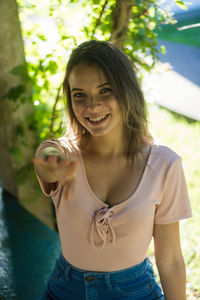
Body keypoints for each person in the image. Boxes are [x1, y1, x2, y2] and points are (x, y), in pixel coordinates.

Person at [34, 40, 192, 300]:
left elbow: (172, 258)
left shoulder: (164, 165)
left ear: (126, 90)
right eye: (79, 95)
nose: (92, 106)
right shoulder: (65, 153)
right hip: (65, 291)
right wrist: (53, 165)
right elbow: (45, 158)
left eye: (104, 91)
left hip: (135, 291)